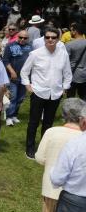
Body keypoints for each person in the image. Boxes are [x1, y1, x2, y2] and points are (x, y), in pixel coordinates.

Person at [35, 98, 86, 212]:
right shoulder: (82, 137)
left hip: (51, 186)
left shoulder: (51, 132)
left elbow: (40, 157)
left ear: (63, 114)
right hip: (76, 190)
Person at [22, 28, 73, 159]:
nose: (50, 39)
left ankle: (44, 148)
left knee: (48, 123)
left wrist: (64, 88)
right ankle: (30, 148)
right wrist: (28, 86)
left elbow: (67, 74)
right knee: (33, 122)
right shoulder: (35, 54)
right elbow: (24, 72)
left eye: (53, 37)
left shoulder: (63, 54)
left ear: (58, 39)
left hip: (55, 94)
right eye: (47, 37)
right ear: (44, 38)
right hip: (38, 92)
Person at [2, 29, 32, 126]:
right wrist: (11, 71)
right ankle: (9, 117)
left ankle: (14, 115)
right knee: (13, 97)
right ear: (17, 36)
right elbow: (5, 60)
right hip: (13, 77)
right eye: (20, 37)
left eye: (25, 38)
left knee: (21, 98)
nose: (22, 39)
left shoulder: (30, 47)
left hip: (24, 78)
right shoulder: (10, 46)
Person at [68, 23, 86, 99]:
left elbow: (65, 61)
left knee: (70, 99)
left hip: (72, 75)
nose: (70, 32)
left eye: (71, 30)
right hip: (85, 75)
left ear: (75, 31)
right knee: (84, 98)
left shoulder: (69, 45)